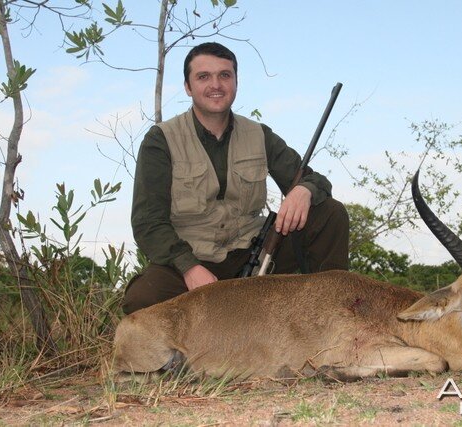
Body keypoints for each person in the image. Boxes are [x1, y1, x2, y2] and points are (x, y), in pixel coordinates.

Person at [123, 42, 349, 314]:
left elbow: (314, 180)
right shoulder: (160, 140)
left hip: (253, 250)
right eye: (204, 76)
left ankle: (331, 316)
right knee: (142, 301)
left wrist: (304, 190)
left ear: (235, 82)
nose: (216, 85)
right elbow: (148, 222)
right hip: (190, 259)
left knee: (329, 213)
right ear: (187, 86)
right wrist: (190, 268)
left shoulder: (259, 134)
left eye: (225, 75)